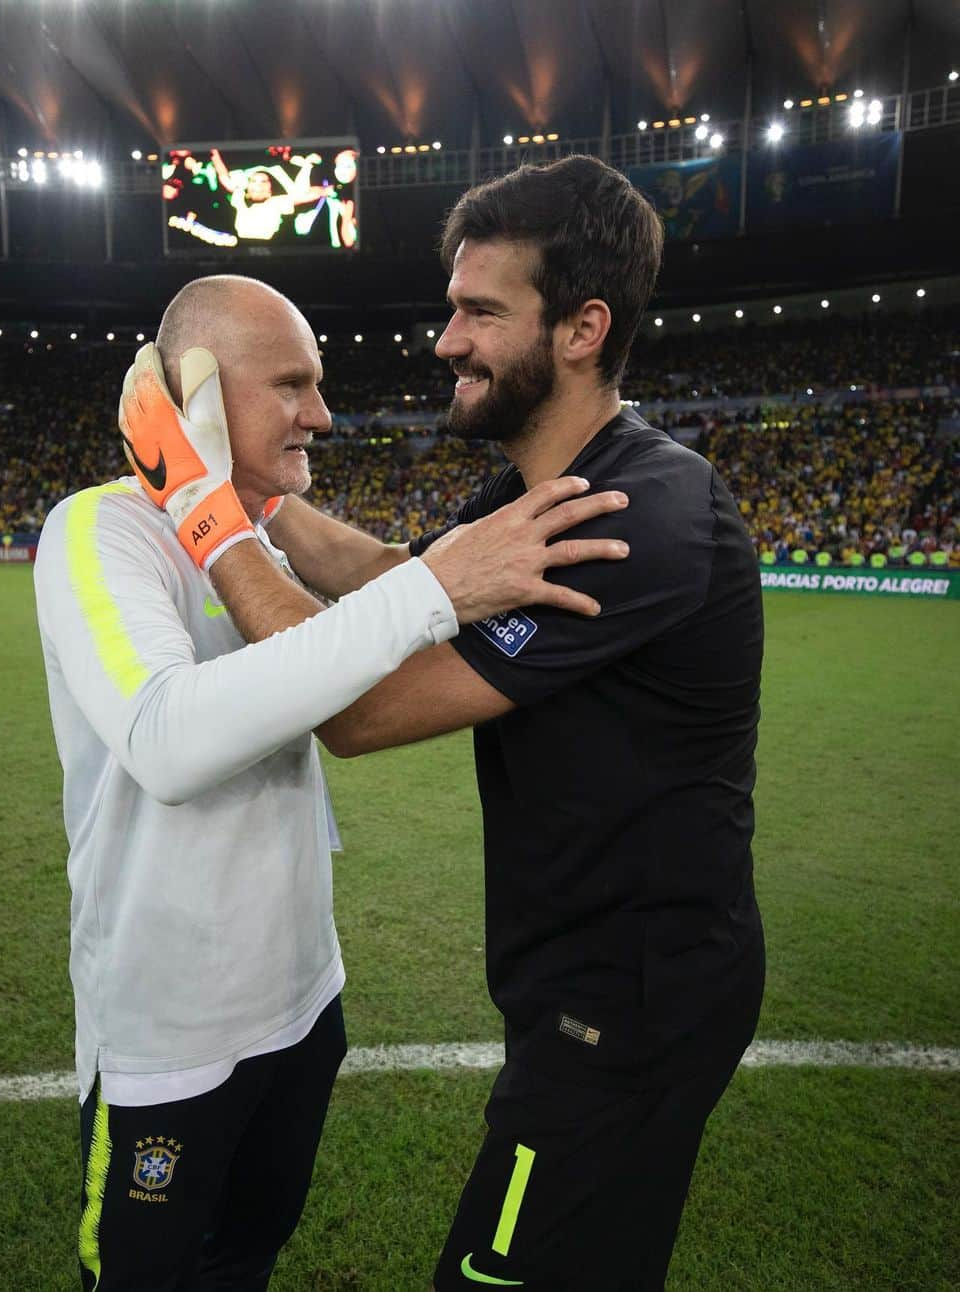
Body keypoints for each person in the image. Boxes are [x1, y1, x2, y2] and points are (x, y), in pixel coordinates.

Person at [132, 155, 766, 1291]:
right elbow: (397, 581)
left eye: (480, 311)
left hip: (627, 1008)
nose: (445, 340)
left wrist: (202, 509)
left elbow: (359, 704)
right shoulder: (538, 491)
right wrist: (259, 488)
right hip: (590, 983)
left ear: (582, 328)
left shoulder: (629, 513)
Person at [34, 272, 628, 1291]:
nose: (322, 412)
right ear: (200, 393)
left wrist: (245, 508)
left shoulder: (252, 541)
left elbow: (338, 608)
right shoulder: (97, 531)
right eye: (293, 385)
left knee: (245, 1259)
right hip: (170, 1042)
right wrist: (436, 586)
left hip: (305, 1008)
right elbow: (167, 741)